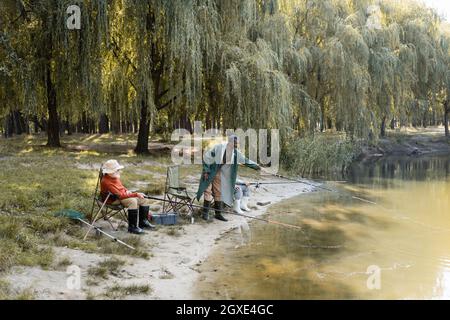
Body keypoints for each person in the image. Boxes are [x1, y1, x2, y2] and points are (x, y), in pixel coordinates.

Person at [196, 135, 260, 221]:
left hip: (220, 173)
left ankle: (218, 214)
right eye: (234, 144)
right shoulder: (219, 147)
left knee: (218, 192)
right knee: (208, 191)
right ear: (229, 142)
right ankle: (205, 214)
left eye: (237, 144)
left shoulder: (235, 153)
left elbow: (245, 160)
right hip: (210, 171)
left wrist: (257, 166)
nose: (236, 146)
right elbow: (207, 157)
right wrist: (206, 170)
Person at [100, 159, 155, 234]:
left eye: (118, 169)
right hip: (112, 200)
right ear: (110, 172)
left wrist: (127, 190)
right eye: (117, 170)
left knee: (143, 198)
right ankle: (132, 227)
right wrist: (135, 194)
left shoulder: (114, 176)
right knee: (132, 201)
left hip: (120, 196)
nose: (118, 171)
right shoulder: (106, 181)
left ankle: (143, 223)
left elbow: (121, 187)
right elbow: (120, 195)